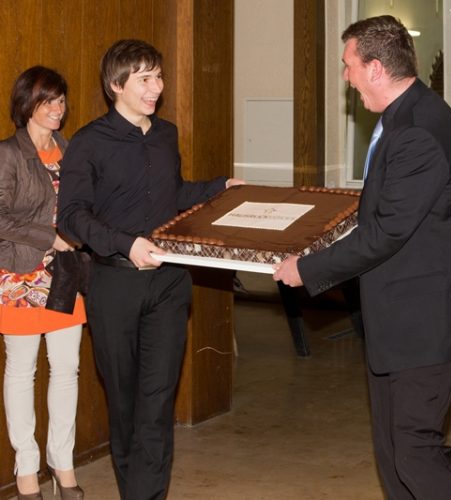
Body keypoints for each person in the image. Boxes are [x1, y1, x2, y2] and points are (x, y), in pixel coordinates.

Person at [273, 15, 451, 500]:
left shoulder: (418, 133)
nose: (346, 77)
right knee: (393, 450)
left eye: (349, 65)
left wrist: (306, 268)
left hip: (427, 322)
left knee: (414, 449)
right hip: (401, 317)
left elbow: (386, 233)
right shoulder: (407, 116)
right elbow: (386, 212)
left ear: (374, 68)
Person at [57, 39, 243, 500]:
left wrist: (220, 188)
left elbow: (172, 195)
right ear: (116, 85)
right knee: (125, 406)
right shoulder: (88, 143)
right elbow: (72, 217)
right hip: (114, 285)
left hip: (168, 283)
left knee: (157, 404)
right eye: (144, 79)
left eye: (158, 76)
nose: (156, 87)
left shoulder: (166, 135)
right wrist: (126, 243)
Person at [0, 66, 85, 500]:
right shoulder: (8, 153)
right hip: (20, 275)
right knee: (22, 371)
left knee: (66, 370)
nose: (57, 108)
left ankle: (62, 464)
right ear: (26, 104)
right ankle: (27, 470)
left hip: (65, 275)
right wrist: (48, 237)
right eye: (47, 100)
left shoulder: (71, 151)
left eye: (61, 100)